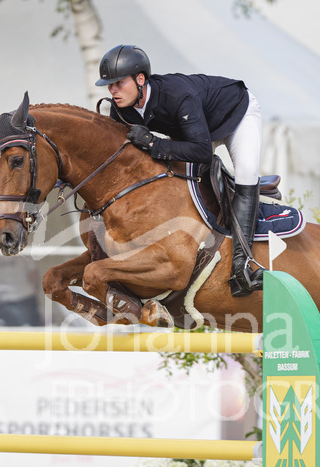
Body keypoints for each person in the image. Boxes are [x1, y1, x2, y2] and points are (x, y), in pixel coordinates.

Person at [95, 44, 265, 297]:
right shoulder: (120, 109)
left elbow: (202, 151)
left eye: (119, 83)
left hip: (234, 115)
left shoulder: (177, 96)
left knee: (246, 172)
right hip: (195, 132)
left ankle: (243, 265)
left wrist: (153, 143)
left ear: (140, 79)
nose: (113, 90)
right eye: (109, 85)